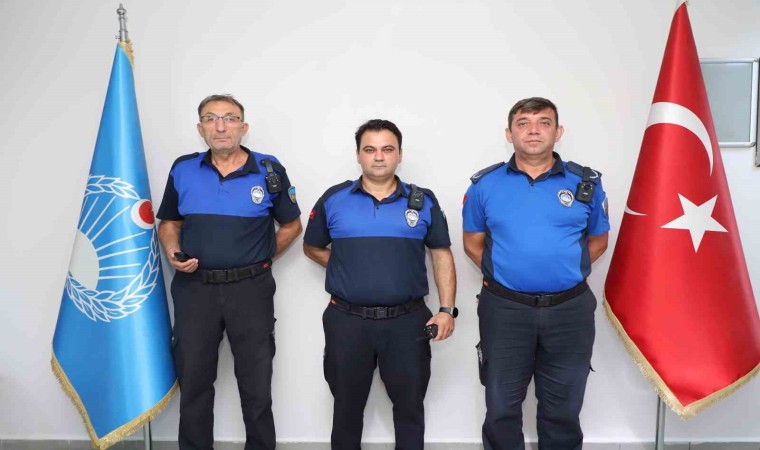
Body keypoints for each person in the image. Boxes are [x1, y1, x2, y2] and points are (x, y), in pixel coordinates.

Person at [462, 97, 610, 450]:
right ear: (509, 134)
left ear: (558, 132)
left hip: (569, 311)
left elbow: (598, 241)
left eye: (544, 122)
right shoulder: (484, 185)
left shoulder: (585, 183)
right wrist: (512, 277)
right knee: (501, 405)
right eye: (523, 123)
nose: (533, 130)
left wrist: (561, 274)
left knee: (563, 408)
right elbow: (472, 244)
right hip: (505, 310)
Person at [157, 94, 302, 450]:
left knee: (256, 383)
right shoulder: (183, 169)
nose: (220, 126)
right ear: (200, 128)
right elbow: (169, 223)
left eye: (230, 118)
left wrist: (260, 258)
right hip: (195, 290)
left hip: (250, 291)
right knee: (194, 381)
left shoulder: (269, 170)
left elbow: (292, 225)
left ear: (243, 127)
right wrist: (173, 252)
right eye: (211, 118)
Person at [303, 119, 457, 450]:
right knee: (346, 409)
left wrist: (447, 310)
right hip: (347, 321)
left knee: (410, 409)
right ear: (358, 154)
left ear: (400, 154)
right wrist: (348, 266)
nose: (378, 157)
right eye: (370, 149)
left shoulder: (423, 200)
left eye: (387, 149)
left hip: (408, 323)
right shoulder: (334, 199)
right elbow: (311, 247)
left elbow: (441, 255)